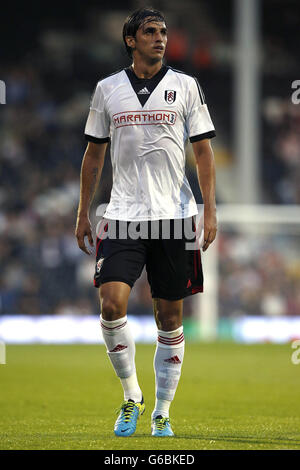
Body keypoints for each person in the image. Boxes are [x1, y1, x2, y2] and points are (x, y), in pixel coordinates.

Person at [75, 7, 217, 437]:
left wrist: (210, 209)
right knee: (111, 305)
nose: (160, 38)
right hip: (122, 215)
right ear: (131, 40)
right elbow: (94, 154)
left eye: (163, 32)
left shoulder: (186, 86)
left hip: (174, 216)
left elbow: (205, 152)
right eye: (150, 32)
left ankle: (162, 411)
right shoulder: (107, 90)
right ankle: (131, 395)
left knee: (169, 319)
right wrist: (83, 211)